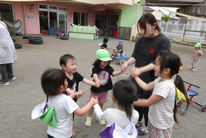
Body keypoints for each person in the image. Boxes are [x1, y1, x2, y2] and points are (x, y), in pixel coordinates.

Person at [121, 13, 171, 135]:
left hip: (153, 81)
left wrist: (140, 70)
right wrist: (127, 63)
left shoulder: (164, 41)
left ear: (154, 25)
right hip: (138, 80)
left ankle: (150, 127)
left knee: (150, 107)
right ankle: (138, 123)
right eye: (140, 28)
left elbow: (158, 62)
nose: (142, 31)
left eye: (145, 28)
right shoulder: (141, 39)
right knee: (138, 106)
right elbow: (135, 56)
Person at [132, 51, 188, 138]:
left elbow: (147, 102)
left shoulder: (165, 86)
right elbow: (146, 87)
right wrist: (136, 77)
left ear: (166, 70)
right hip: (155, 120)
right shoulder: (160, 79)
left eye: (157, 65)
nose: (154, 66)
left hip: (160, 125)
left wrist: (129, 101)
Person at [41, 68, 98, 138]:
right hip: (63, 135)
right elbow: (80, 112)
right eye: (65, 80)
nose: (66, 81)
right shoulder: (66, 100)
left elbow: (61, 102)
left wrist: (72, 95)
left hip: (51, 133)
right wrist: (92, 102)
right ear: (62, 86)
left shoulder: (50, 96)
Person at [59, 54, 100, 136]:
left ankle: (70, 128)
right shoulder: (62, 77)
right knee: (64, 116)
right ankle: (62, 129)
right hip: (64, 101)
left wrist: (95, 84)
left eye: (75, 64)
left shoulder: (75, 74)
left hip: (72, 100)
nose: (75, 66)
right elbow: (67, 90)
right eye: (72, 65)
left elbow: (85, 80)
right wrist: (75, 94)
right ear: (63, 67)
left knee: (71, 116)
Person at [85, 49, 123, 127]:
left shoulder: (108, 67)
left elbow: (114, 73)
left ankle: (100, 117)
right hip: (95, 90)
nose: (106, 62)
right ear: (98, 60)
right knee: (92, 105)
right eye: (104, 61)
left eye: (107, 61)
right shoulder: (95, 67)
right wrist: (97, 81)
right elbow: (95, 74)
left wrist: (121, 71)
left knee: (101, 104)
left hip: (104, 90)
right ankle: (89, 118)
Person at [0, 19, 17, 86]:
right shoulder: (2, 23)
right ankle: (11, 76)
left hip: (2, 44)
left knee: (1, 62)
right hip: (9, 42)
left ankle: (5, 80)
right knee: (8, 60)